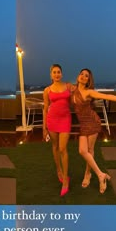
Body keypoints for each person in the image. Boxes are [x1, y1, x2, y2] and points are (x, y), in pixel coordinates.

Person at [72, 68, 116, 193]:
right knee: (83, 151)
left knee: (89, 150)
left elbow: (106, 96)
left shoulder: (89, 92)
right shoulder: (72, 90)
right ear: (78, 76)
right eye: (82, 74)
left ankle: (88, 174)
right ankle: (101, 174)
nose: (83, 77)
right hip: (83, 124)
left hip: (92, 122)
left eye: (86, 76)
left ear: (89, 80)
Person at [43, 64, 74, 196]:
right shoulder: (47, 90)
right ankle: (59, 171)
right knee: (55, 146)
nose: (56, 74)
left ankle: (66, 180)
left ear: (62, 74)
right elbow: (45, 108)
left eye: (59, 72)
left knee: (62, 149)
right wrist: (44, 128)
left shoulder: (67, 86)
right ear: (51, 75)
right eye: (54, 72)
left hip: (65, 119)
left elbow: (73, 101)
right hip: (52, 120)